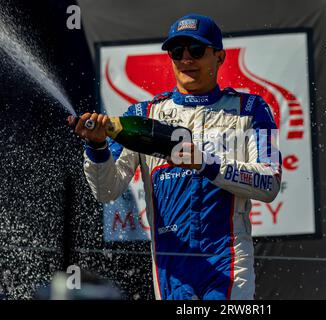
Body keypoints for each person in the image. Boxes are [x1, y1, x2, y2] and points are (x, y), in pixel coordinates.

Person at [71, 13, 282, 300]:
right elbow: (107, 190)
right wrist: (97, 148)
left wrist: (205, 163)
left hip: (228, 259)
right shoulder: (143, 116)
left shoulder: (252, 109)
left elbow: (269, 183)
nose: (186, 59)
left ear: (219, 57)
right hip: (171, 265)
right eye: (177, 51)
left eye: (196, 50)